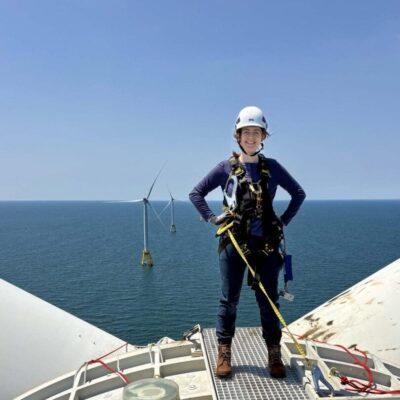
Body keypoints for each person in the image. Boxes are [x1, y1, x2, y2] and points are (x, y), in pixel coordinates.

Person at [189, 106, 306, 379]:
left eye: (256, 132)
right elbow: (196, 193)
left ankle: (274, 353)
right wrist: (211, 218)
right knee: (229, 300)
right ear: (238, 136)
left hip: (266, 245)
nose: (251, 137)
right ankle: (224, 351)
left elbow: (298, 193)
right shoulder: (225, 168)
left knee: (268, 301)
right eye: (246, 132)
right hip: (234, 244)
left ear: (263, 136)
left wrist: (283, 221)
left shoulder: (273, 168)